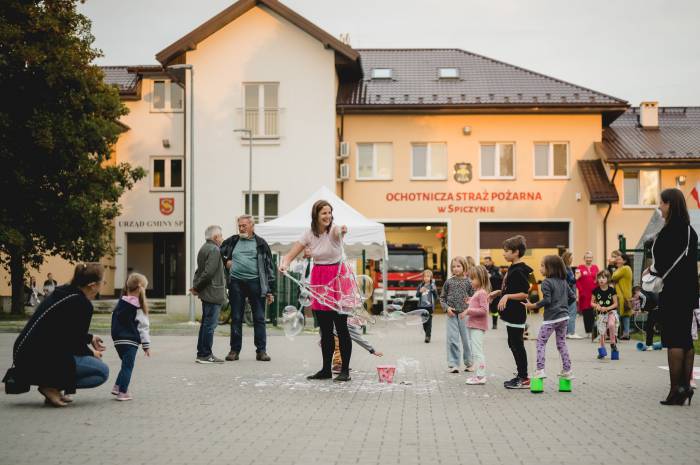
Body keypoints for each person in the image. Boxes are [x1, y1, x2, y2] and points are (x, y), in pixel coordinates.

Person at [8, 263, 109, 407]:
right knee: (101, 371)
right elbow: (74, 344)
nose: (103, 285)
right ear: (92, 285)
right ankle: (50, 386)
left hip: (24, 353)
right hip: (38, 360)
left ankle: (52, 386)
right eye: (103, 282)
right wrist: (93, 353)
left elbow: (61, 330)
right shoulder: (82, 304)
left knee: (88, 363)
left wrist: (90, 337)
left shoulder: (63, 292)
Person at [279, 200, 352, 382]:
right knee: (325, 330)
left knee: (341, 327)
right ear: (316, 216)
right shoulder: (309, 234)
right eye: (323, 213)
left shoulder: (334, 230)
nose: (327, 216)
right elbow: (291, 253)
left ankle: (345, 371)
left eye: (329, 213)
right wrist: (285, 263)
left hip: (337, 278)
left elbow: (338, 231)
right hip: (319, 279)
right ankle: (326, 369)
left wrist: (342, 229)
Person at [646, 188, 698, 406]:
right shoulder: (690, 231)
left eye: (662, 203)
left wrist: (651, 273)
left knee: (674, 340)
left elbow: (659, 263)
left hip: (673, 291)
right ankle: (686, 386)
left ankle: (675, 390)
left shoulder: (667, 233)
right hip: (689, 291)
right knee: (686, 339)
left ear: (670, 205)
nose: (659, 207)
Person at [220, 215, 275, 362]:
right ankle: (234, 350)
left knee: (259, 318)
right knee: (236, 317)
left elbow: (269, 268)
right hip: (236, 283)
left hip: (255, 283)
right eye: (240, 226)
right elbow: (219, 253)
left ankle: (261, 351)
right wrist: (226, 261)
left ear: (252, 226)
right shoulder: (232, 241)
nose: (241, 228)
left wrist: (270, 291)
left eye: (244, 225)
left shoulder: (261, 243)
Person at [489, 235, 532, 389]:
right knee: (512, 343)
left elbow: (524, 293)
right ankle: (521, 374)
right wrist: (499, 292)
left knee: (517, 344)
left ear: (516, 252)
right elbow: (511, 288)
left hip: (517, 313)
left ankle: (524, 377)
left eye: (506, 251)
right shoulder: (513, 268)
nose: (504, 254)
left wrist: (507, 296)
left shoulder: (519, 270)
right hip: (511, 314)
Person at [524, 255, 576, 380]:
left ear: (550, 268)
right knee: (561, 343)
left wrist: (533, 305)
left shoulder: (546, 282)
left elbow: (547, 300)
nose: (540, 268)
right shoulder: (563, 282)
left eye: (542, 265)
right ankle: (567, 370)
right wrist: (562, 305)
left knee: (541, 343)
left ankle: (540, 370)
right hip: (564, 317)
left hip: (551, 319)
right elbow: (573, 297)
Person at [110, 273, 151, 401]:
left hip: (118, 341)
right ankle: (123, 393)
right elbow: (143, 327)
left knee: (125, 365)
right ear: (140, 288)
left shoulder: (120, 303)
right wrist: (146, 345)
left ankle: (117, 386)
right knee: (128, 367)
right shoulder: (138, 306)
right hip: (130, 341)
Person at [191, 225, 228, 364]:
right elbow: (208, 273)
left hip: (207, 292)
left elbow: (199, 271)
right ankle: (205, 354)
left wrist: (196, 287)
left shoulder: (203, 248)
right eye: (221, 236)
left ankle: (202, 353)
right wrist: (197, 287)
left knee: (206, 324)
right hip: (213, 292)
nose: (222, 238)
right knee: (209, 325)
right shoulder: (214, 249)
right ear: (215, 237)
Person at [440, 256, 474, 374]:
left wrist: (469, 306)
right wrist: (447, 308)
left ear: (464, 267)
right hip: (451, 315)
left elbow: (474, 298)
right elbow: (442, 298)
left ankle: (469, 363)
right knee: (452, 339)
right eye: (453, 266)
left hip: (465, 315)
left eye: (458, 266)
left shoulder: (469, 282)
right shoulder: (448, 282)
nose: (456, 269)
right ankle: (454, 364)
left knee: (467, 340)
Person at [462, 265, 491, 385]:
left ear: (480, 278)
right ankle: (479, 375)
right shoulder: (478, 292)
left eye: (472, 279)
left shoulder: (482, 293)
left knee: (477, 351)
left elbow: (484, 310)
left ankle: (480, 376)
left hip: (478, 326)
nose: (470, 281)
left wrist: (468, 311)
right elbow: (477, 305)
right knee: (476, 351)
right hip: (474, 325)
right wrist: (469, 301)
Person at [592, 270, 619, 360]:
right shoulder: (595, 290)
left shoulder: (612, 290)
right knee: (602, 332)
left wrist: (607, 308)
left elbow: (616, 304)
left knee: (611, 325)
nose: (601, 280)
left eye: (603, 277)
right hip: (601, 314)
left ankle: (613, 344)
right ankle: (602, 351)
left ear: (608, 279)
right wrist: (597, 306)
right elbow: (591, 303)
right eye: (599, 278)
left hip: (611, 312)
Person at [576, 251, 599, 338]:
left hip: (594, 293)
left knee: (594, 313)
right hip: (584, 294)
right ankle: (588, 331)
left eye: (590, 257)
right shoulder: (580, 267)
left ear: (592, 258)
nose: (588, 259)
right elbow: (577, 280)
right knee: (586, 313)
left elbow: (598, 278)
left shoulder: (595, 267)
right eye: (587, 257)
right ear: (584, 259)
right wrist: (580, 290)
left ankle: (594, 331)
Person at [612, 252, 633, 340]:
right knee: (624, 315)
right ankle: (625, 333)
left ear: (624, 261)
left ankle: (621, 333)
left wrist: (615, 269)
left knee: (620, 314)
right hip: (623, 294)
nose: (617, 261)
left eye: (619, 259)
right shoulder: (623, 268)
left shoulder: (625, 268)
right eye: (617, 259)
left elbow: (614, 276)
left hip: (623, 295)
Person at [561, 252, 581, 339]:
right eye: (571, 257)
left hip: (566, 295)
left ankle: (567, 332)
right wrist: (577, 277)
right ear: (567, 258)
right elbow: (569, 282)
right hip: (569, 295)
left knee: (567, 314)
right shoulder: (566, 269)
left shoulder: (563, 268)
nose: (572, 259)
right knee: (572, 314)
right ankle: (571, 332)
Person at [416, 269, 438, 343]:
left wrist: (434, 291)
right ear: (423, 278)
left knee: (429, 322)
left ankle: (428, 336)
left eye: (428, 277)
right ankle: (427, 334)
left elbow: (436, 297)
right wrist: (420, 291)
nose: (426, 278)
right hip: (422, 306)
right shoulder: (420, 285)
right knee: (424, 322)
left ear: (431, 278)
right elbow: (417, 295)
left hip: (429, 306)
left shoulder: (432, 286)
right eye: (425, 276)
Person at [483, 256, 502, 329]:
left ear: (491, 261)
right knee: (483, 308)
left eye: (487, 262)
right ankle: (483, 323)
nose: (486, 263)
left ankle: (494, 324)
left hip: (495, 292)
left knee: (494, 309)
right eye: (485, 262)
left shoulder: (496, 269)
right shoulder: (483, 269)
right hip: (485, 292)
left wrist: (491, 276)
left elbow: (500, 278)